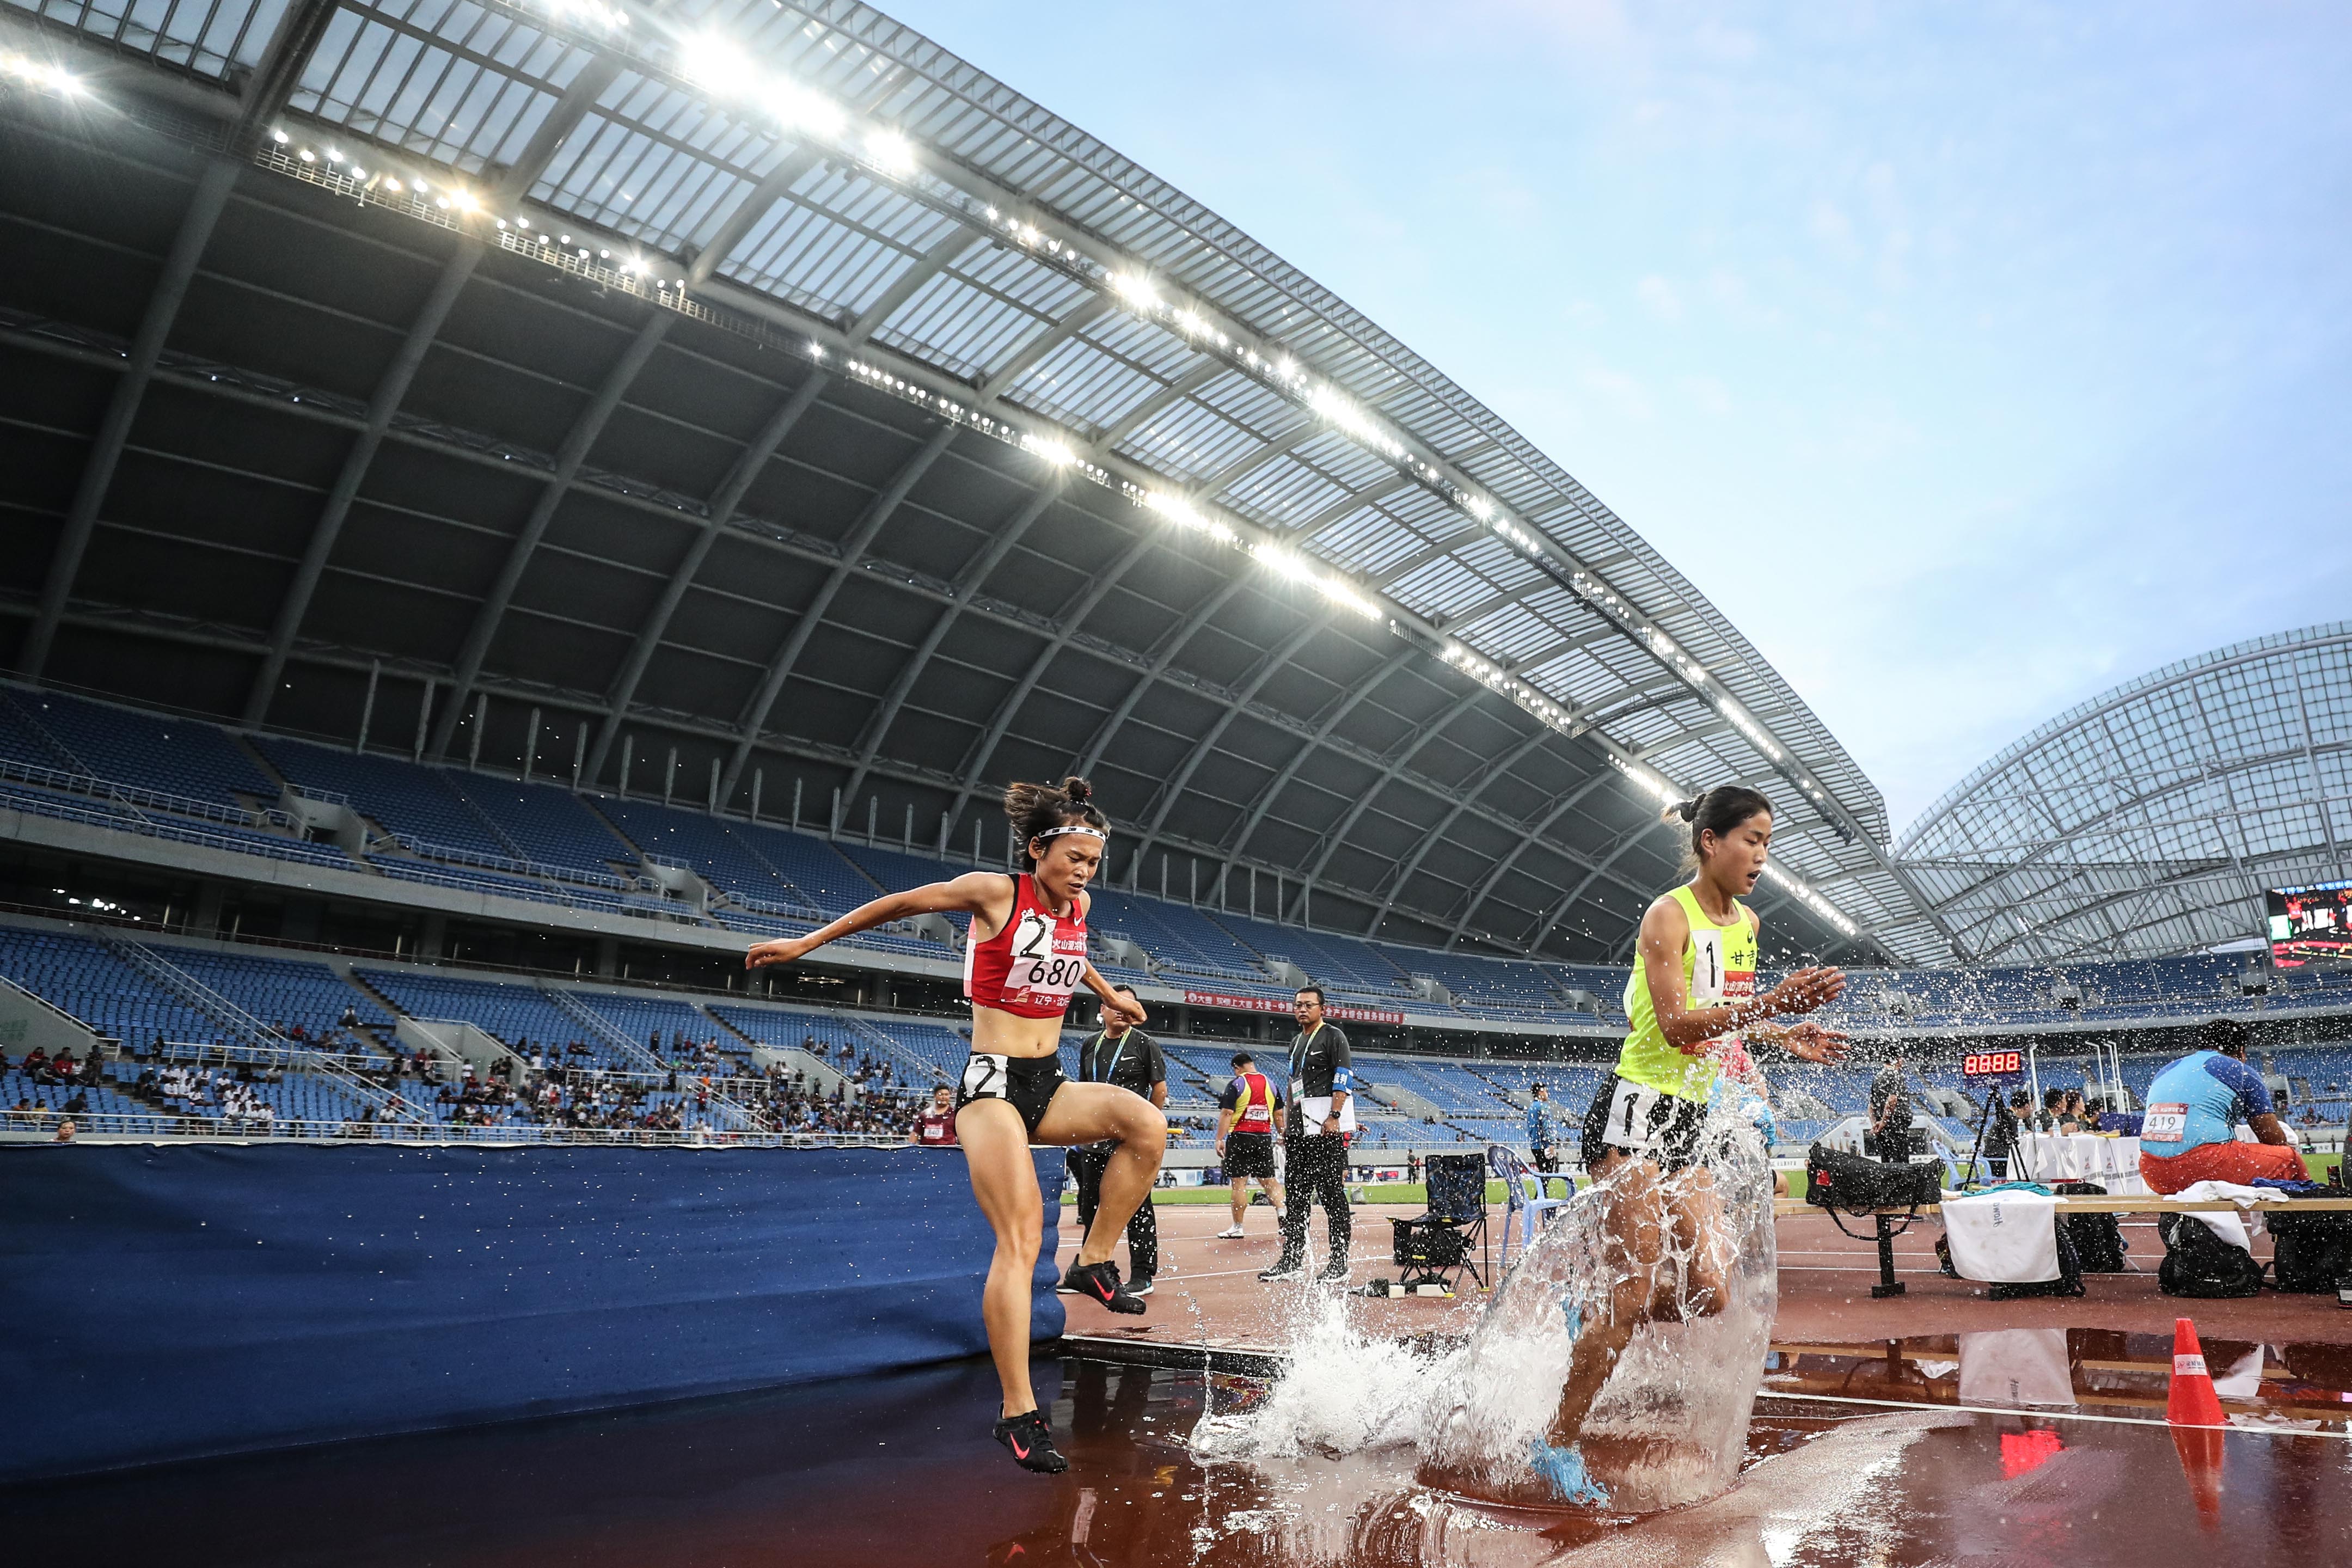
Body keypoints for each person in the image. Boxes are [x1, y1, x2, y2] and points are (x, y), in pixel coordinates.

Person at [746, 777, 1162, 1477]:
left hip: (1049, 1083)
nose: (1084, 873)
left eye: (1092, 863)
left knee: (1145, 1124)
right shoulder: (995, 892)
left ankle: (1093, 1262)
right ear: (1037, 850)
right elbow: (904, 903)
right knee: (1023, 1236)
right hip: (993, 1085)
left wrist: (1108, 993)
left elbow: (1071, 954)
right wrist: (806, 944)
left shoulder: (1079, 906)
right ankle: (1018, 1412)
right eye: (1072, 859)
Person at [1535, 786, 1849, 1505]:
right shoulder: (1666, 916)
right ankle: (1553, 1440)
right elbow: (1678, 1026)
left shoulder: (1748, 922)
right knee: (1638, 1286)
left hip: (1691, 1123)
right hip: (1633, 1114)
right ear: (1710, 841)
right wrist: (1774, 1004)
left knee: (1709, 1289)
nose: (1762, 857)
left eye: (1769, 842)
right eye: (1752, 840)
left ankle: (1597, 1306)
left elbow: (1723, 1022)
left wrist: (1779, 1034)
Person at [1065, 987, 1167, 1294]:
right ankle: (1089, 1268)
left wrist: (1148, 1131)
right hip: (1095, 1139)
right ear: (1103, 1009)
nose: (1121, 1009)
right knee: (1091, 1204)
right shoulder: (1089, 1045)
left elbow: (1158, 1089)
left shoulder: (1145, 1044)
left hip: (1129, 1142)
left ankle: (1143, 1274)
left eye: (1129, 1004)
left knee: (1136, 1205)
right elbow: (1084, 1092)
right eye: (1115, 1003)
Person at [2137, 1018, 2305, 1193]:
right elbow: (2273, 1139)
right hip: (2205, 1165)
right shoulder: (2240, 1070)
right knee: (2289, 1160)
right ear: (2241, 1051)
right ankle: (2302, 1217)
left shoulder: (2166, 1070)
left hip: (2153, 1171)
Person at [1260, 987, 1355, 1283]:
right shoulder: (1296, 1042)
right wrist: (1287, 1123)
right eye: (1298, 1005)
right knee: (1297, 1196)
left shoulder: (1333, 1036)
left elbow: (1343, 1076)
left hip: (1325, 1128)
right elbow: (1293, 1084)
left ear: (1322, 1009)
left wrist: (1335, 1116)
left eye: (1308, 1005)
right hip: (1300, 1129)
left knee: (1331, 1195)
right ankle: (1292, 1259)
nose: (1302, 1009)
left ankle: (1339, 1261)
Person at [1214, 1051, 1285, 1239]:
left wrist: (1219, 1139)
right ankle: (1283, 1217)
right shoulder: (1271, 1084)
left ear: (1237, 1068)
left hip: (1240, 1136)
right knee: (1269, 1180)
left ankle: (1238, 1227)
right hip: (1263, 1137)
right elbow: (1279, 1115)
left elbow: (1227, 1113)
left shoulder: (1237, 1084)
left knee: (1239, 1183)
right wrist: (1282, 1133)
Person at [1867, 1055, 1915, 1164]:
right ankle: (1901, 1180)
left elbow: (1871, 1105)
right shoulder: (1895, 1075)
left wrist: (1875, 1124)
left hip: (1884, 1126)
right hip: (1896, 1124)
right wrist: (1884, 1122)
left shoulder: (1878, 1076)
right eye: (1901, 1057)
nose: (1903, 1061)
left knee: (1886, 1161)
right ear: (1897, 1059)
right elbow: (1892, 1100)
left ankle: (1888, 1179)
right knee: (1900, 1162)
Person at [1983, 1089, 2028, 1181]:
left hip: (1997, 1159)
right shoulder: (2009, 1118)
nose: (2033, 1109)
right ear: (2027, 1106)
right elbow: (2022, 1136)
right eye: (2033, 1105)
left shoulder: (2007, 1116)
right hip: (1999, 1162)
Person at [1526, 1082, 1560, 1180]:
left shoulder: (1532, 1107)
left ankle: (1540, 1194)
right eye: (1545, 1091)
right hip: (1544, 1145)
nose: (1547, 1094)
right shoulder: (1543, 1106)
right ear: (1540, 1092)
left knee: (1543, 1174)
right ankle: (1541, 1195)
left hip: (1535, 1146)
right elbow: (1547, 1125)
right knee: (1547, 1175)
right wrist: (1551, 1144)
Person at [909, 1083, 958, 1147]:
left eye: (946, 1095)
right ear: (935, 1096)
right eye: (941, 1094)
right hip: (927, 1152)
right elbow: (915, 1133)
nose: (944, 1097)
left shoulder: (954, 1114)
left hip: (947, 1152)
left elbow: (961, 1135)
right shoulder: (924, 1114)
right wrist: (911, 1148)